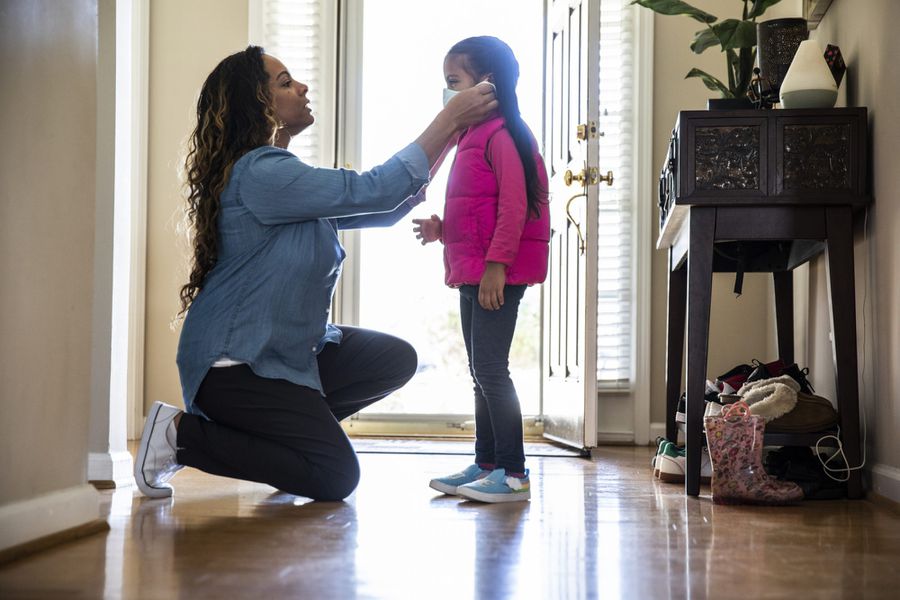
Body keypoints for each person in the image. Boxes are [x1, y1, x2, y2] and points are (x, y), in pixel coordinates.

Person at [133, 45, 498, 500]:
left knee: (393, 359)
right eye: (285, 82)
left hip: (284, 354)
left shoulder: (284, 180)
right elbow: (376, 189)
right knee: (335, 476)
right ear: (257, 104)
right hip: (235, 367)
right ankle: (177, 435)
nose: (302, 88)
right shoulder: (260, 174)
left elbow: (387, 206)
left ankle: (286, 449)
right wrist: (449, 120)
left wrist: (453, 129)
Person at [414, 36, 550, 503]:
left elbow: (514, 207)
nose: (448, 92)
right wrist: (441, 228)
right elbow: (480, 209)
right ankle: (486, 462)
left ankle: (513, 473)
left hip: (496, 273)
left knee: (492, 370)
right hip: (473, 268)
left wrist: (497, 266)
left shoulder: (502, 133)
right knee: (480, 371)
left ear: (485, 84)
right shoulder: (471, 136)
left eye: (453, 82)